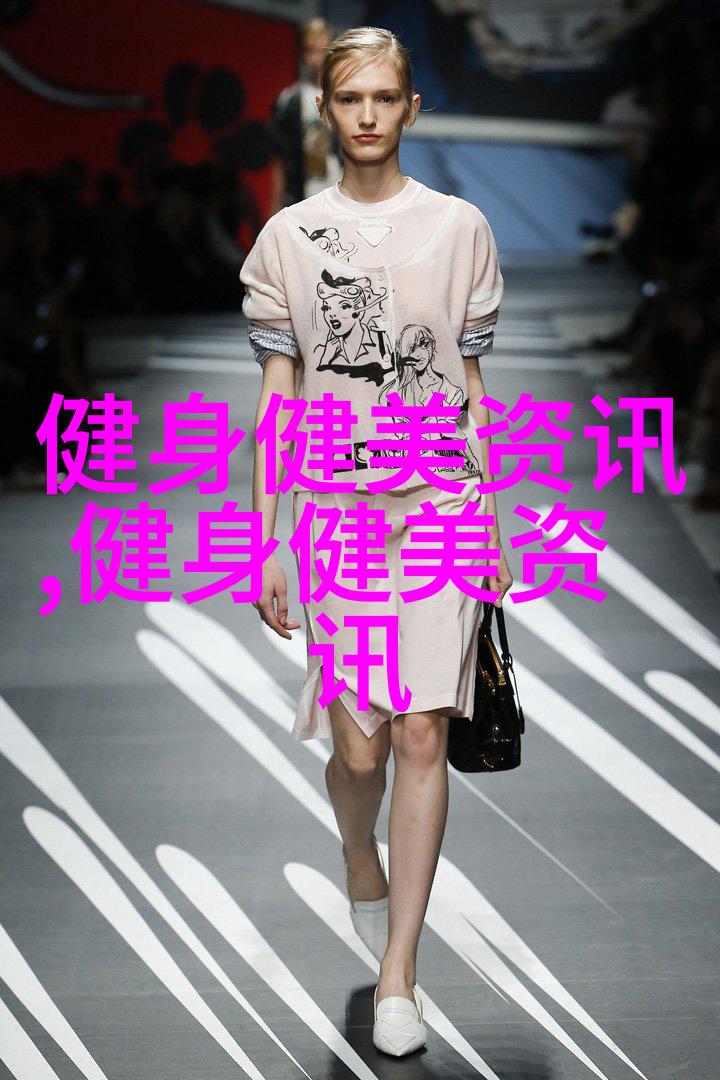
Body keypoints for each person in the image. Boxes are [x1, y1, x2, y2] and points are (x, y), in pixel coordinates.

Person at [240, 25, 513, 1058]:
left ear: (410, 107)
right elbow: (279, 395)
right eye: (349, 98)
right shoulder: (288, 238)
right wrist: (267, 539)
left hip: (442, 503)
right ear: (326, 110)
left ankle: (402, 970)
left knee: (421, 732)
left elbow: (472, 384)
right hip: (337, 512)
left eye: (384, 97)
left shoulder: (460, 229)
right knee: (358, 745)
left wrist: (491, 519)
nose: (366, 115)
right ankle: (360, 854)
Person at [267, 17, 343, 214]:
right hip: (299, 197)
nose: (316, 58)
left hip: (341, 195)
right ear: (302, 53)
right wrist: (275, 206)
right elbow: (280, 159)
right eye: (311, 50)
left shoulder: (349, 98)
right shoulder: (288, 102)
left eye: (323, 50)